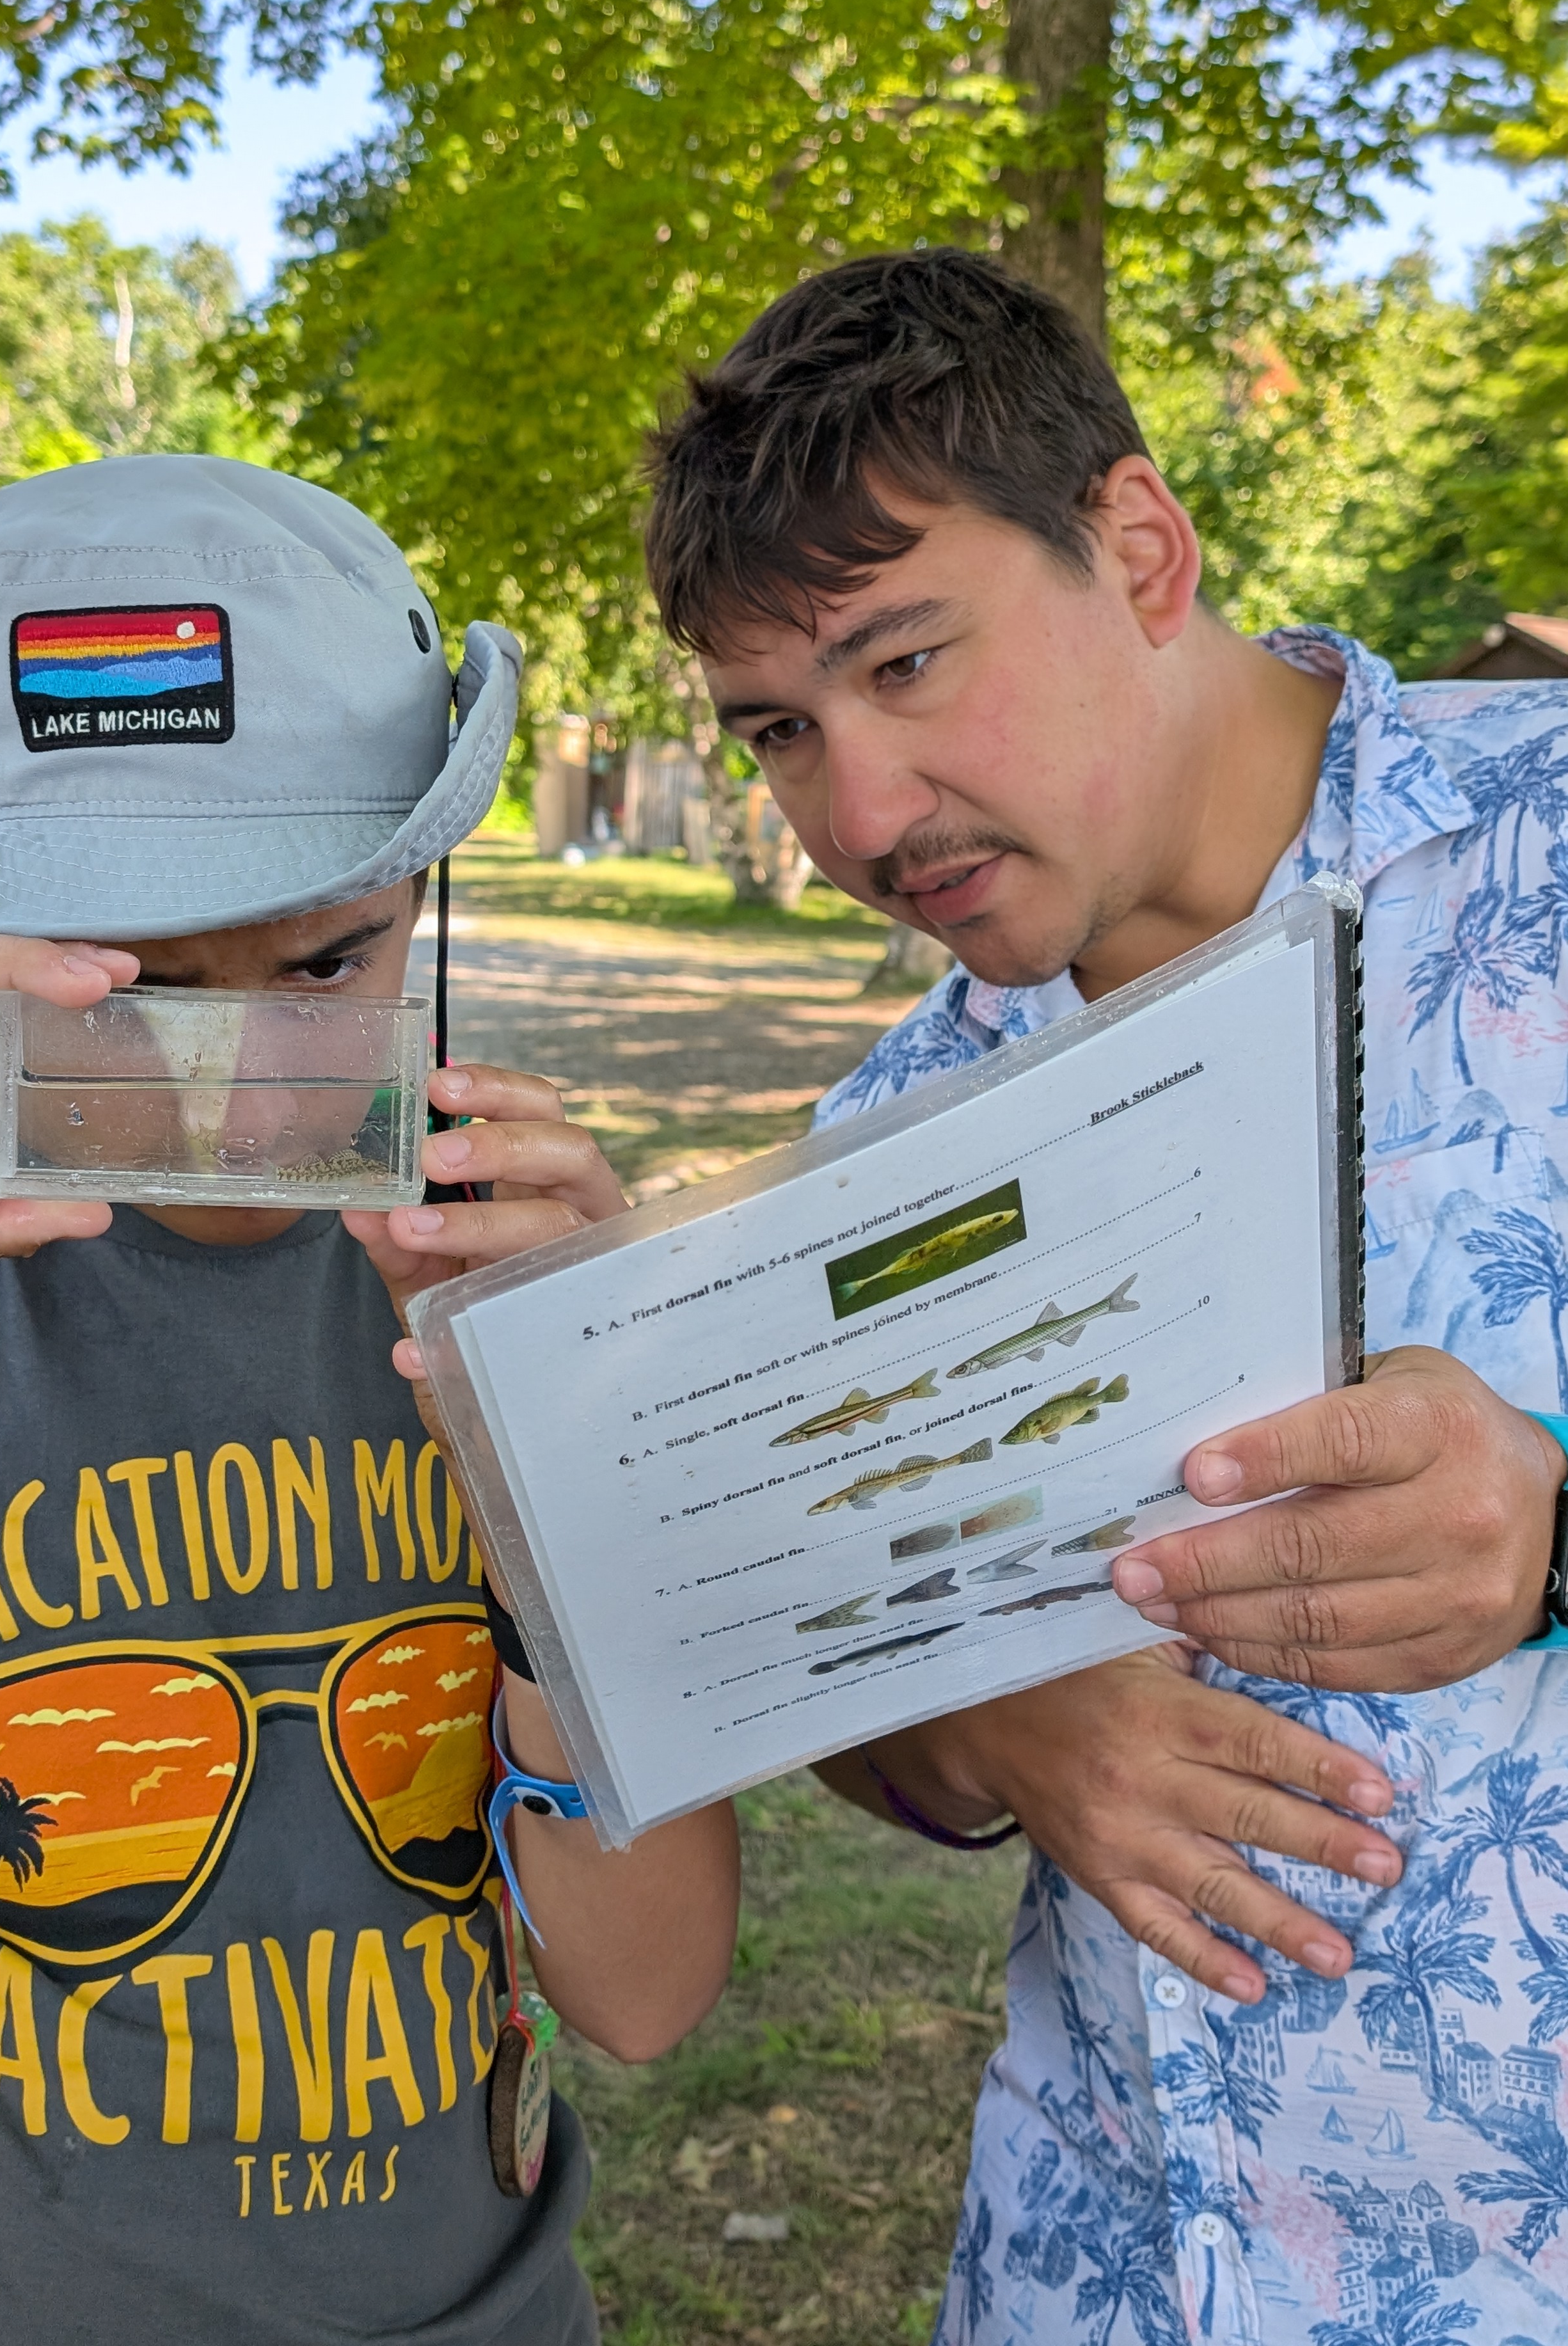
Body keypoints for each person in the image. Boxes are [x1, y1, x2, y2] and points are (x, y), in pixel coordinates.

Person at [0, 454, 737, 2345]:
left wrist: (562, 1460)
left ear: (425, 897)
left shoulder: (511, 1283)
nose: (225, 1078)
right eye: (120, 987)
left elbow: (644, 1989)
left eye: (327, 964)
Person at [638, 249, 1568, 2340]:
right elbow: (872, 1724)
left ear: (1139, 546)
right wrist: (987, 1709)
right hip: (1107, 2263)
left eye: (905, 665)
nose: (857, 819)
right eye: (782, 731)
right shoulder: (887, 1136)